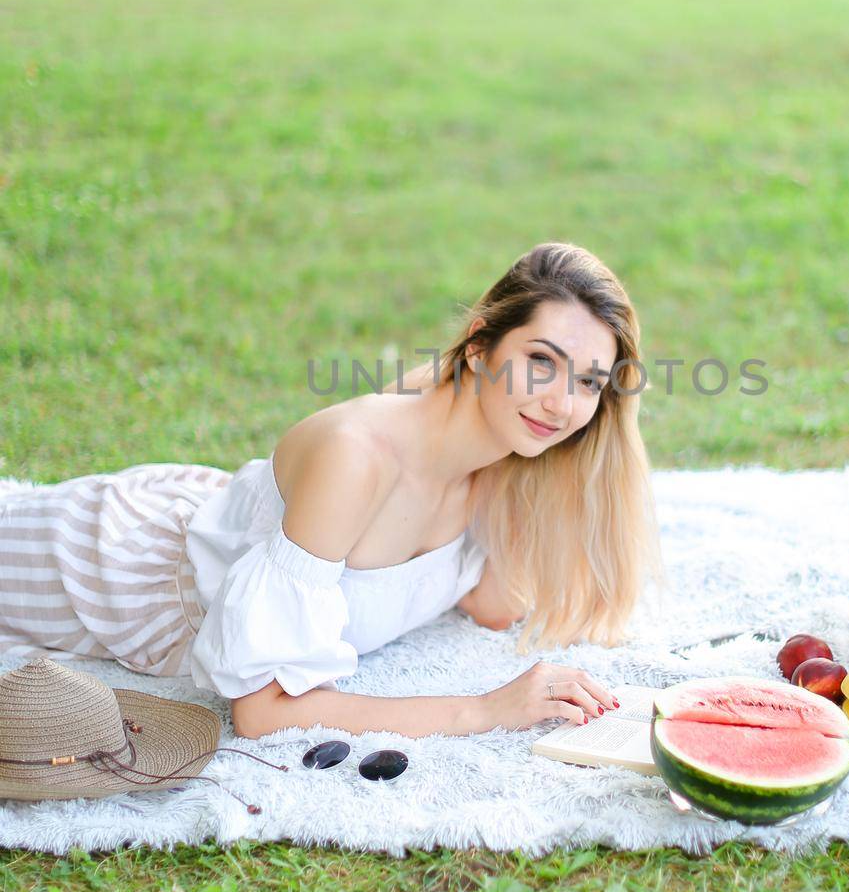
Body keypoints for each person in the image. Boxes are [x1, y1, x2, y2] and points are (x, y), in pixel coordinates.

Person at [0, 243, 665, 744]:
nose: (559, 403)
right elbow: (262, 712)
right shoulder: (360, 457)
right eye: (540, 362)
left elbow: (493, 604)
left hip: (210, 513)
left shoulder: (502, 448)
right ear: (477, 348)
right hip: (110, 572)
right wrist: (483, 710)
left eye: (587, 383)